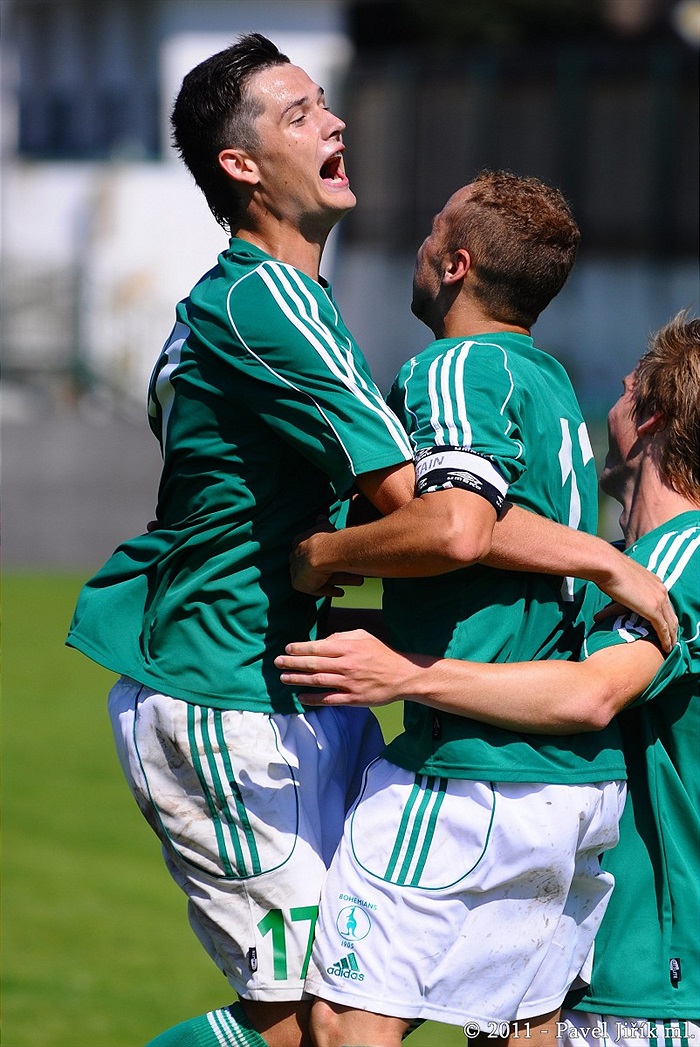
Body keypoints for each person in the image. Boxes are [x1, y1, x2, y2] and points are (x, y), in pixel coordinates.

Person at [65, 37, 674, 1047]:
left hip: (300, 682)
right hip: (223, 693)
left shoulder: (287, 305)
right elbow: (435, 518)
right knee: (320, 1024)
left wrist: (325, 557)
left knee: (393, 998)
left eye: (325, 105)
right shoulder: (268, 300)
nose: (334, 121)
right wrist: (604, 556)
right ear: (242, 167)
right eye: (298, 114)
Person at [276, 171, 670, 1047]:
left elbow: (458, 528)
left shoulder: (458, 365)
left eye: (428, 232)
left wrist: (317, 556)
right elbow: (497, 573)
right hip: (571, 787)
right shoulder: (553, 386)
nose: (416, 248)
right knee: (515, 1030)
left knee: (343, 1025)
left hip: (470, 768)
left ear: (455, 265)